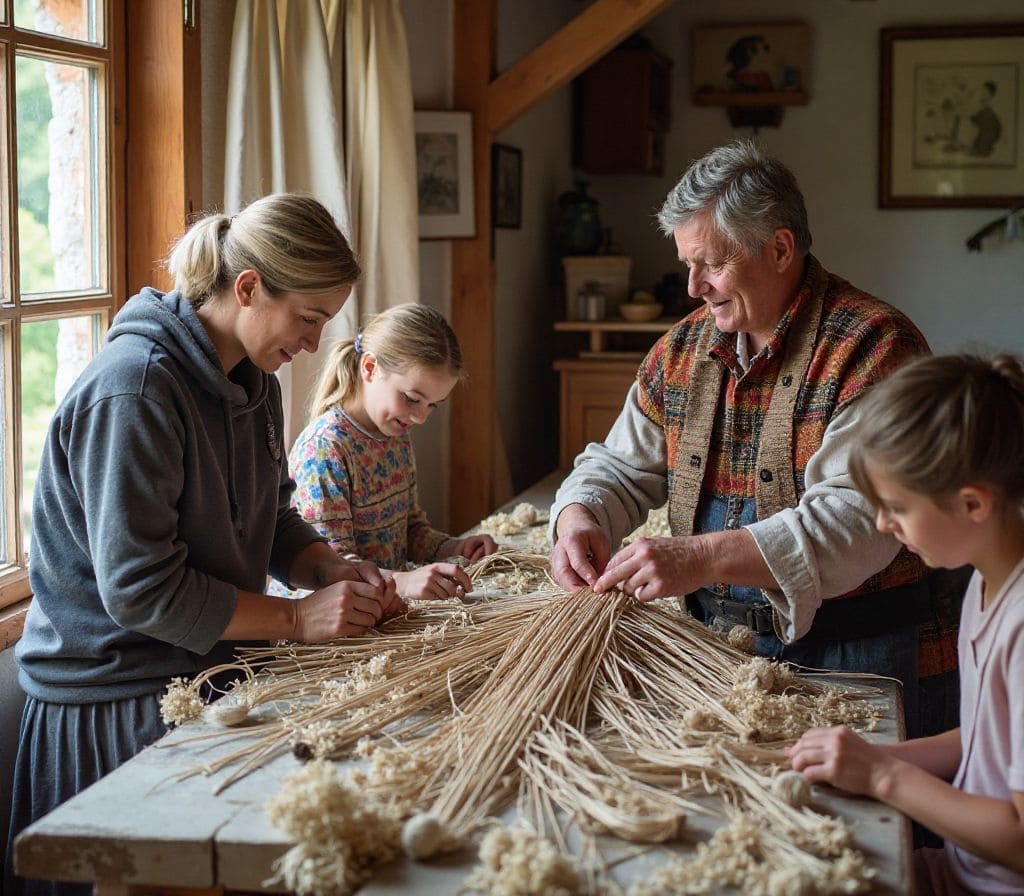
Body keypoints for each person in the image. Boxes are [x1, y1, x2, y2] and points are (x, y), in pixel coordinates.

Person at [5, 194, 397, 896]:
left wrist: (327, 567)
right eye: (307, 318)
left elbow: (271, 518)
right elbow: (141, 589)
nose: (313, 344)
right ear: (247, 288)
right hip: (116, 699)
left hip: (205, 672)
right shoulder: (135, 390)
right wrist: (299, 620)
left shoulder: (254, 381)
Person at [549, 138, 964, 743]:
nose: (692, 287)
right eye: (687, 264)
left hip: (858, 655)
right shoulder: (682, 349)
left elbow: (859, 521)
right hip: (719, 652)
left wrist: (696, 558)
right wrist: (580, 517)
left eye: (711, 264)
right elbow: (618, 465)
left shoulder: (874, 349)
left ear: (780, 248)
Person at [787, 353, 1024, 896]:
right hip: (966, 870)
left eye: (896, 506)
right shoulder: (986, 580)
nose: (881, 525)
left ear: (972, 504)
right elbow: (989, 738)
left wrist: (882, 777)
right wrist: (878, 755)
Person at [269, 302, 496, 603]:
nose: (420, 417)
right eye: (413, 399)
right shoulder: (324, 450)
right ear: (370, 368)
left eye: (431, 405)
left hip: (379, 605)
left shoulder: (394, 436)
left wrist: (453, 549)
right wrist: (402, 582)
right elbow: (327, 567)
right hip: (323, 621)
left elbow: (410, 530)